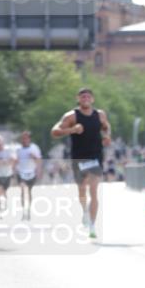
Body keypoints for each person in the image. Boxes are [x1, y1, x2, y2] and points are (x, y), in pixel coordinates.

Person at [50, 87, 111, 239]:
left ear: (93, 99)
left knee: (94, 191)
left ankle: (92, 225)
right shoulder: (72, 116)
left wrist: (107, 135)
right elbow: (54, 131)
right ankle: (84, 211)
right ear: (78, 99)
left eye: (88, 96)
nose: (85, 99)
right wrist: (71, 130)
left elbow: (106, 127)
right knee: (82, 189)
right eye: (82, 97)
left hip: (96, 156)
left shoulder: (100, 114)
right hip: (78, 157)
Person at [15, 131, 42, 220]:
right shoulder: (18, 149)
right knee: (23, 190)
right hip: (21, 173)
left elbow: (39, 160)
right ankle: (24, 211)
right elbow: (15, 161)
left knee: (29, 192)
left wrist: (38, 171)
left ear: (29, 139)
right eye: (23, 138)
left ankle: (28, 210)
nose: (24, 140)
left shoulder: (34, 148)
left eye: (26, 138)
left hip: (31, 173)